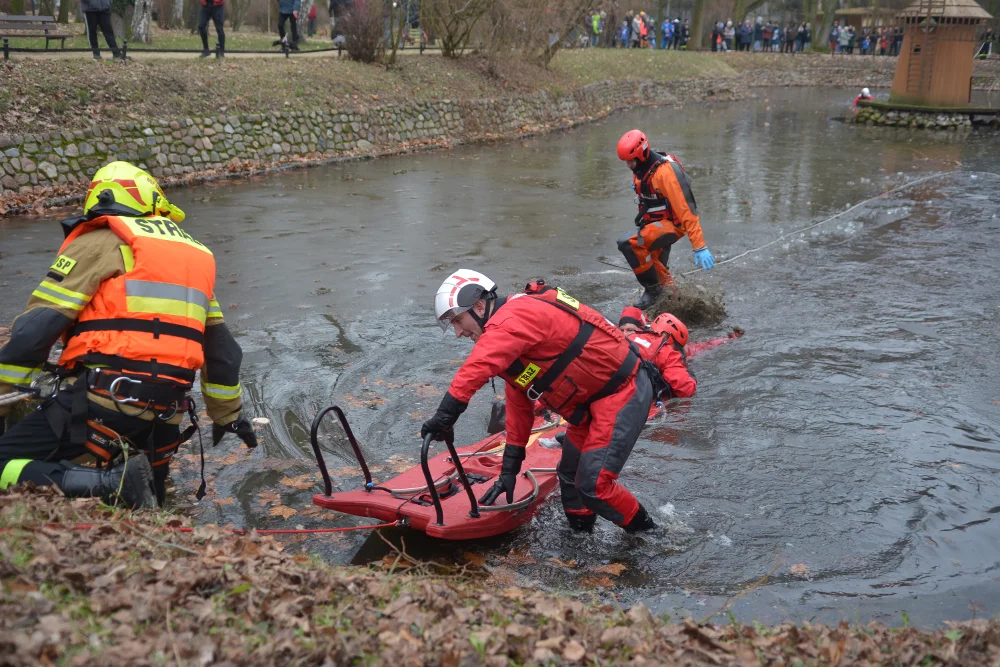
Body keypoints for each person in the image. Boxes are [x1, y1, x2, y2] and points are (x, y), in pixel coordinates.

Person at [0, 162, 256, 509]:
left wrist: (6, 389)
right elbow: (223, 353)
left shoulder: (99, 239)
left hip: (103, 403)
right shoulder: (192, 257)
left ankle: (108, 485)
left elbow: (36, 330)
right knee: (151, 501)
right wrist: (229, 416)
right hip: (168, 414)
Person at [423, 272, 658, 533]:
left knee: (594, 486)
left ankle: (649, 535)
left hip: (622, 392)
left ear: (479, 306)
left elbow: (477, 367)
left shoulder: (514, 316)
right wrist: (509, 471)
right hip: (588, 407)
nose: (457, 332)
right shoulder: (509, 334)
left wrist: (445, 416)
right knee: (569, 476)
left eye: (458, 320)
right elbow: (518, 403)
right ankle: (580, 539)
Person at [615, 129, 715, 309]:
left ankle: (654, 291)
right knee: (656, 268)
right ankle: (675, 301)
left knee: (629, 243)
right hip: (653, 224)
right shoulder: (642, 168)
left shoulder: (666, 173)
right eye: (626, 161)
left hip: (672, 225)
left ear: (643, 154)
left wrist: (699, 246)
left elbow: (687, 210)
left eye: (631, 161)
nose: (628, 165)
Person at [623, 310, 696, 401]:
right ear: (670, 338)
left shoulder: (631, 337)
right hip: (633, 398)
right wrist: (691, 377)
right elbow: (686, 390)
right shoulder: (667, 352)